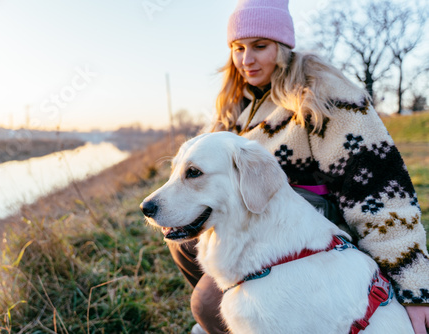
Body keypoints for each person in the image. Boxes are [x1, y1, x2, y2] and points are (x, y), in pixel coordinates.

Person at [167, 0, 429, 333]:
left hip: (309, 240)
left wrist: (414, 287)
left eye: (260, 47)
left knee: (206, 303)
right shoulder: (238, 104)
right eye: (238, 48)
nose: (246, 60)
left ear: (284, 46)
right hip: (255, 227)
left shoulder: (323, 94)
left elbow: (379, 188)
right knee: (183, 238)